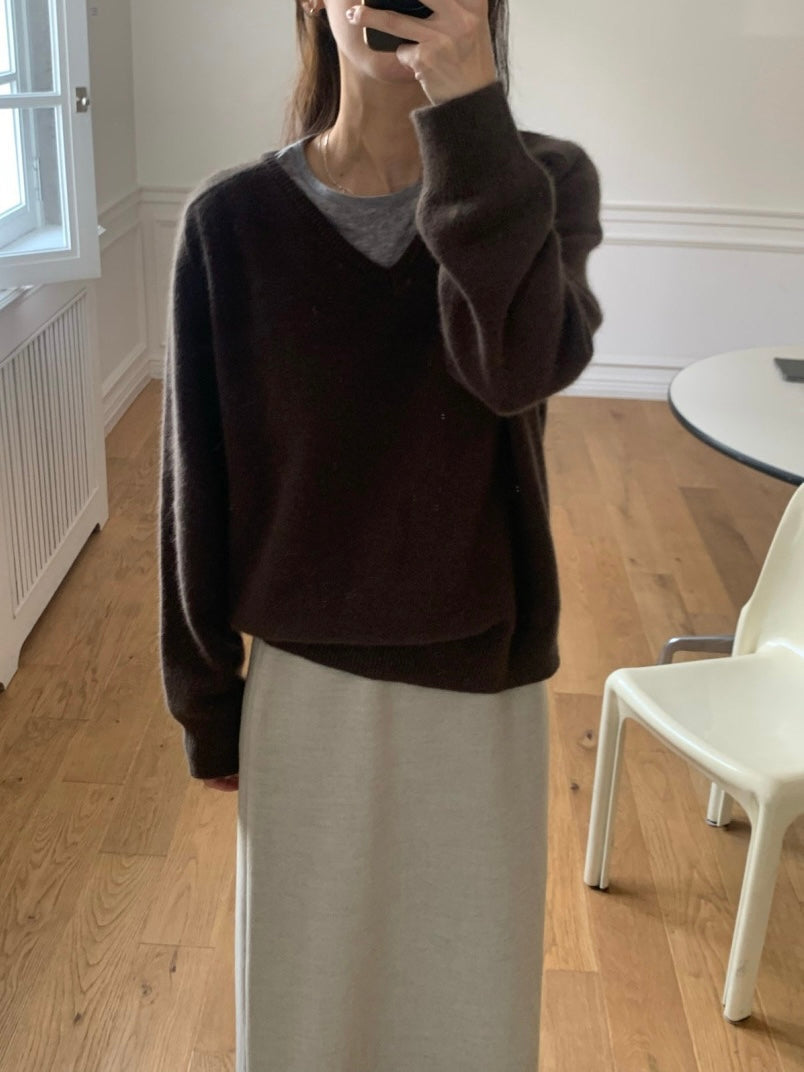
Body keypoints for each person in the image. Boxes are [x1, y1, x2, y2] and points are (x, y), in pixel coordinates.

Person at [157, 0, 604, 1068]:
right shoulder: (229, 223)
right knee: (304, 1015)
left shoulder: (543, 183)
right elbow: (194, 485)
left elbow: (513, 370)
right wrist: (207, 701)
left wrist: (470, 121)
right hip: (304, 679)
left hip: (481, 670)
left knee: (466, 1011)